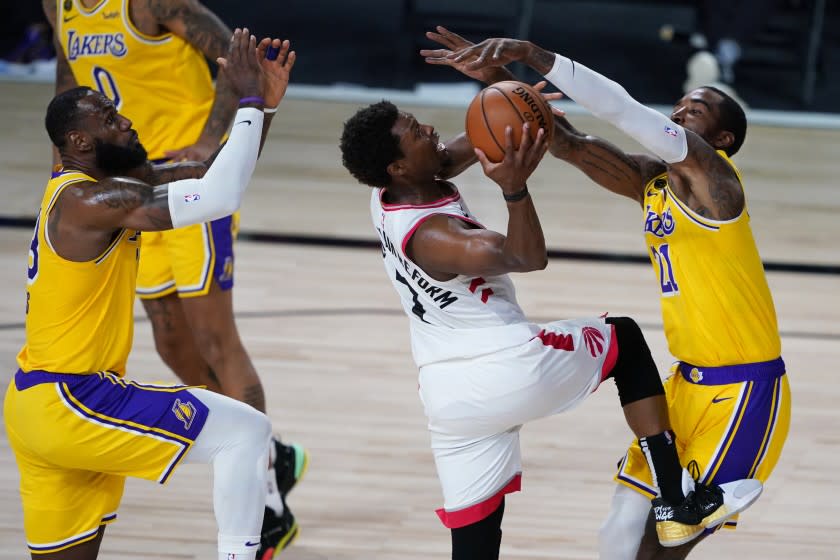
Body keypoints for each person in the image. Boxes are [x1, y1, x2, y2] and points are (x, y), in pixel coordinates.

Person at [421, 26, 791, 560]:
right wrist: (501, 83)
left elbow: (622, 110)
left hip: (745, 388)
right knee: (618, 534)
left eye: (698, 108)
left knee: (665, 541)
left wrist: (532, 55)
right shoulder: (653, 183)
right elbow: (569, 142)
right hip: (685, 383)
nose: (682, 110)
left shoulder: (720, 185)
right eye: (682, 102)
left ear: (723, 140)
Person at [339, 97, 762, 559]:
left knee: (476, 539)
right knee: (622, 337)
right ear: (399, 166)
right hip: (508, 367)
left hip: (448, 400)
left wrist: (516, 97)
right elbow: (526, 257)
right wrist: (515, 190)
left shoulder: (389, 190)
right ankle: (675, 498)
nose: (429, 129)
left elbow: (465, 145)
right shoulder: (435, 236)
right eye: (417, 132)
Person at [4, 28, 294, 560]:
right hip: (74, 400)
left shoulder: (93, 192)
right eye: (110, 119)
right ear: (81, 143)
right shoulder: (96, 202)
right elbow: (219, 195)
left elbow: (211, 172)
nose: (127, 120)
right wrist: (247, 99)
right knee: (246, 434)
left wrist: (262, 108)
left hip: (32, 407)